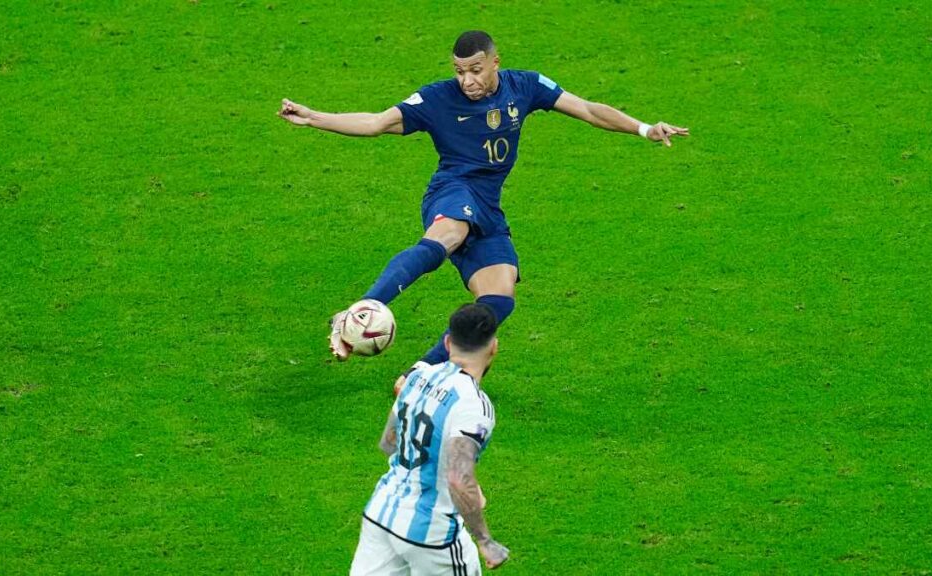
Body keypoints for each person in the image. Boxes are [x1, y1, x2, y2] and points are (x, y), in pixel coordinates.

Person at [279, 30, 688, 390]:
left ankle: (420, 373)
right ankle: (357, 313)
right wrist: (314, 117)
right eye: (460, 71)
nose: (467, 80)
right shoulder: (438, 98)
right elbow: (376, 123)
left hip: (489, 207)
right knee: (449, 233)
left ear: (495, 62)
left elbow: (586, 108)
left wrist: (643, 128)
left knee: (499, 298)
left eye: (475, 70)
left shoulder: (524, 87)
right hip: (452, 190)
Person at [350, 303, 506, 575]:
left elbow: (389, 441)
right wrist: (485, 541)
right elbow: (459, 479)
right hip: (431, 535)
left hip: (381, 515)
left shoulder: (417, 377)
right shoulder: (474, 405)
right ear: (493, 346)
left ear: (447, 342)